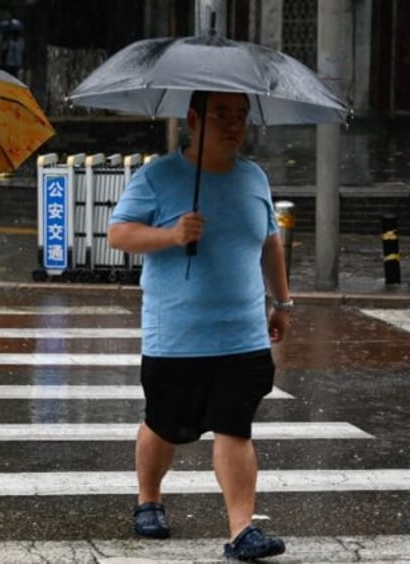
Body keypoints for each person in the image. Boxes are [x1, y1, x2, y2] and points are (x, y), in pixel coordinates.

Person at [108, 90, 291, 561]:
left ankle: (241, 530)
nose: (234, 124)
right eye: (222, 115)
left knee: (235, 426)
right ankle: (149, 498)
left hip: (243, 334)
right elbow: (119, 233)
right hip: (177, 336)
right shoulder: (159, 177)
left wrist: (282, 303)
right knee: (164, 425)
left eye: (241, 116)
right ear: (193, 119)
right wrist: (171, 234)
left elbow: (270, 243)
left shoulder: (254, 178)